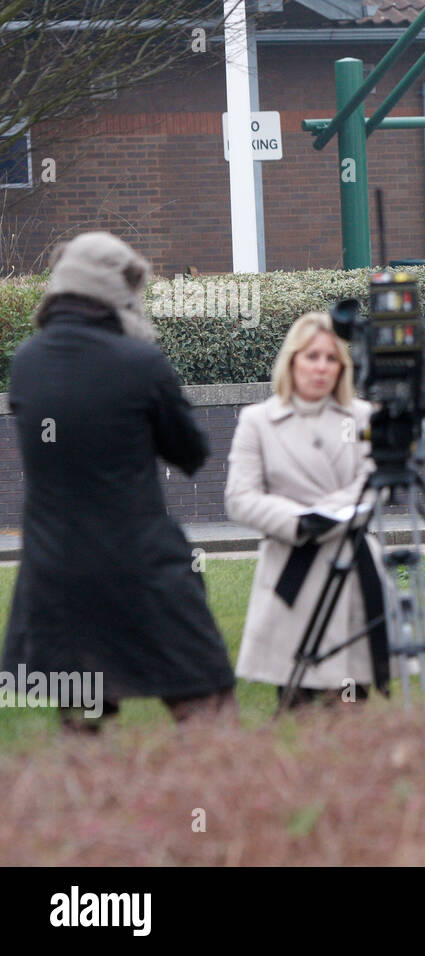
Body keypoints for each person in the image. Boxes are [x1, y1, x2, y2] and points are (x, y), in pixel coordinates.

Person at [1, 232, 236, 732]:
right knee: (206, 700)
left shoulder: (26, 363)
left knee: (83, 723)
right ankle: (220, 806)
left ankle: (90, 810)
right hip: (140, 561)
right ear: (120, 290)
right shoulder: (140, 362)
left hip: (54, 567)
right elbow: (190, 452)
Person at [225, 312, 387, 707]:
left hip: (350, 568)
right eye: (311, 356)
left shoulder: (364, 417)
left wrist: (327, 518)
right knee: (296, 704)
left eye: (332, 359)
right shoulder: (257, 421)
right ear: (292, 360)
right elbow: (240, 497)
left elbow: (375, 481)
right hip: (290, 569)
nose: (321, 367)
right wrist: (299, 522)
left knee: (351, 704)